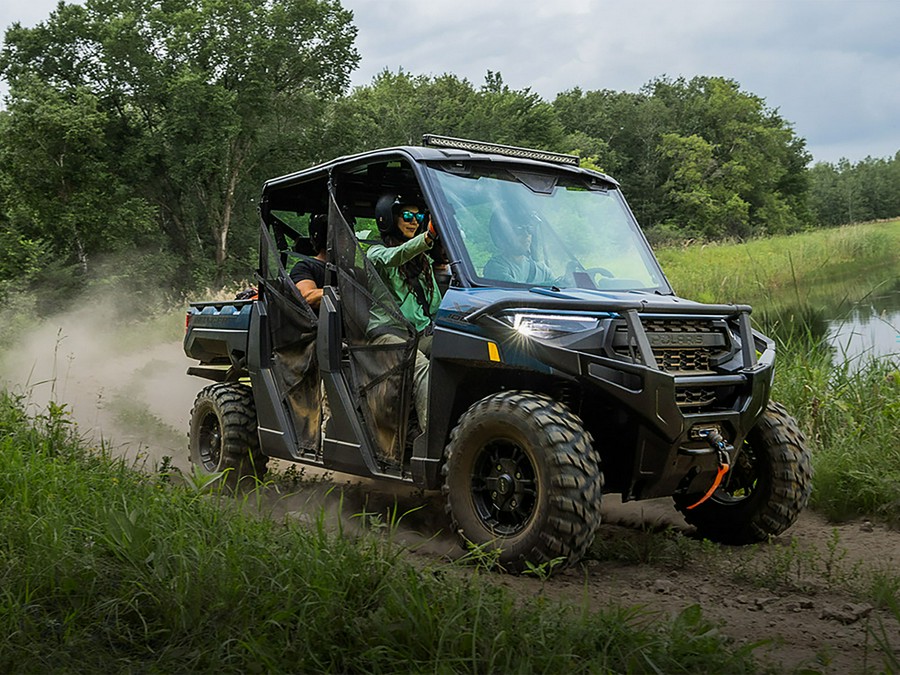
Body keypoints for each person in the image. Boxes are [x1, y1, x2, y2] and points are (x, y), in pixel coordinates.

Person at [367, 194, 441, 429]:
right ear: (389, 219)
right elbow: (396, 256)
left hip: (417, 335)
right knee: (423, 370)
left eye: (419, 216)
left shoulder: (423, 262)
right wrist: (428, 236)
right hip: (387, 334)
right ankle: (431, 440)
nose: (414, 221)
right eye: (407, 216)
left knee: (456, 352)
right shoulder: (376, 254)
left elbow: (436, 305)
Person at [483, 211, 556, 285]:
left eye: (529, 229)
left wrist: (566, 279)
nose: (526, 234)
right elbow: (516, 289)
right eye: (519, 230)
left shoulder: (541, 270)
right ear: (504, 236)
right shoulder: (495, 267)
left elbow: (557, 289)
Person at [289, 213, 327, 310]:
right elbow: (307, 298)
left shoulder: (353, 272)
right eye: (342, 235)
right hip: (320, 323)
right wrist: (345, 293)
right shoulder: (304, 267)